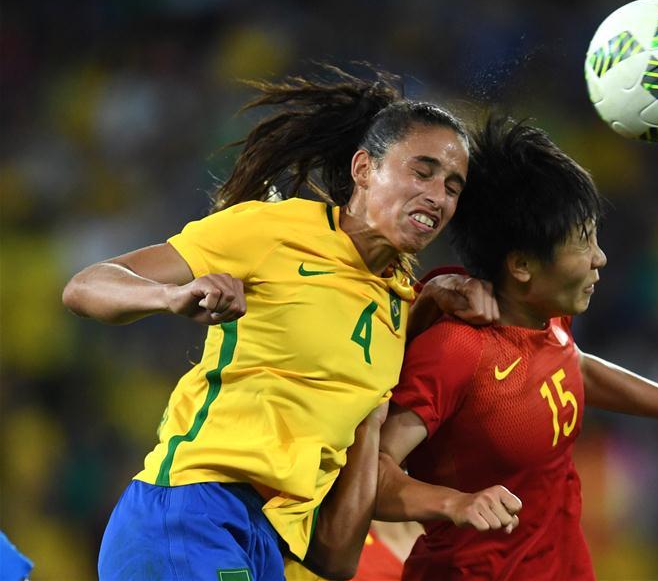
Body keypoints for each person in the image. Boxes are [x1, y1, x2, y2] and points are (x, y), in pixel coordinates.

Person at [61, 64, 498, 581]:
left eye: (452, 185)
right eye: (421, 172)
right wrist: (171, 295)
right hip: (192, 511)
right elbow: (86, 286)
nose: (438, 196)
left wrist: (431, 304)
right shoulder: (274, 230)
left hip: (269, 544)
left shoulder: (395, 303)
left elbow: (340, 539)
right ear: (363, 170)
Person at [372, 116, 658, 580]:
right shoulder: (456, 350)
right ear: (522, 265)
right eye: (582, 242)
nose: (599, 257)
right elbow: (372, 475)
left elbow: (574, 368)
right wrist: (456, 503)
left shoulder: (547, 316)